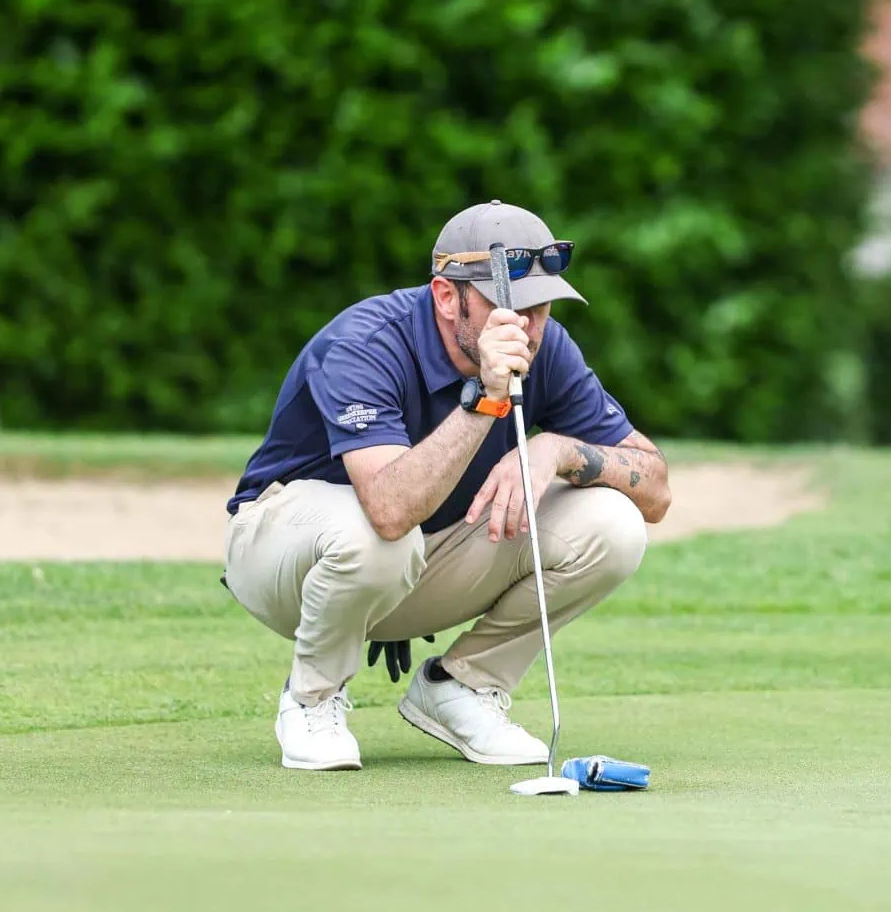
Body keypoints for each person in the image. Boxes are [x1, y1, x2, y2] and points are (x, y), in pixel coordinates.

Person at [222, 199, 670, 771]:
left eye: (542, 308)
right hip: (282, 557)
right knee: (377, 535)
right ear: (445, 295)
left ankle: (460, 686)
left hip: (414, 560)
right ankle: (311, 699)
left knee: (614, 524)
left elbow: (655, 489)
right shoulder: (365, 342)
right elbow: (388, 508)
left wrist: (556, 449)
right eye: (508, 306)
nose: (528, 327)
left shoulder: (545, 346)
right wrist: (485, 397)